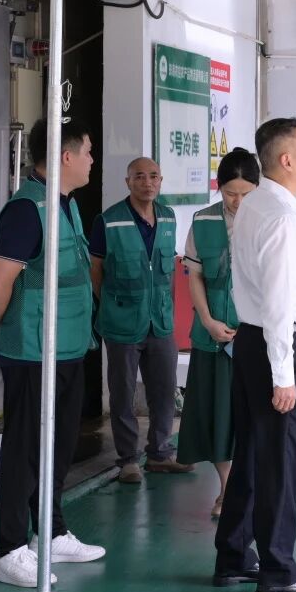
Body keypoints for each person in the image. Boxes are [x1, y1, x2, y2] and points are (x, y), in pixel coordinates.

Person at [0, 118, 106, 588]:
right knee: (25, 449)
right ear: (65, 156)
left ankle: (50, 532)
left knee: (59, 444)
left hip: (67, 346)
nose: (92, 160)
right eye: (87, 151)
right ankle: (9, 549)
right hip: (33, 349)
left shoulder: (66, 204)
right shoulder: (26, 210)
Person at [212, 119, 296, 592]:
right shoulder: (278, 217)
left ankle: (234, 555)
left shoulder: (255, 205)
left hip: (251, 341)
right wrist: (284, 375)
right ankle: (279, 570)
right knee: (280, 461)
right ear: (286, 160)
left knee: (252, 456)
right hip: (273, 345)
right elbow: (280, 304)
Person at [89, 157, 190, 485]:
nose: (148, 183)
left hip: (159, 320)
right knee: (123, 392)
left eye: (153, 176)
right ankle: (128, 460)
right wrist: (110, 304)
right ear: (128, 182)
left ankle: (160, 454)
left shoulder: (168, 216)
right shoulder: (109, 221)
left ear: (160, 181)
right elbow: (95, 269)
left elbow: (167, 271)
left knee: (164, 389)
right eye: (140, 177)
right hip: (122, 321)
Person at [180, 148, 261, 518]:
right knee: (217, 413)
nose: (238, 201)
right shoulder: (203, 221)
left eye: (246, 193)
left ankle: (248, 486)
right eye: (230, 193)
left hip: (254, 335)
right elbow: (195, 277)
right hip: (213, 336)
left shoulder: (269, 221)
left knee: (251, 415)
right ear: (219, 187)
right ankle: (227, 489)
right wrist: (208, 321)